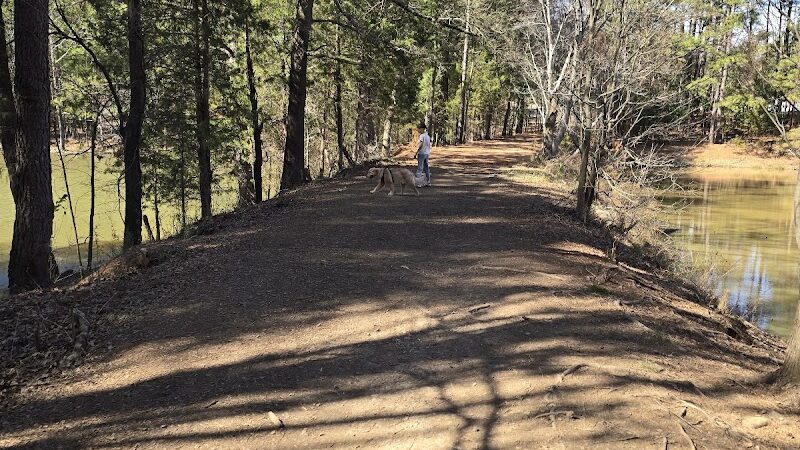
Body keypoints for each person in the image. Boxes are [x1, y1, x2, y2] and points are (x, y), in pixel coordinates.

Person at [414, 122, 432, 187]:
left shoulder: (422, 136)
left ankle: (418, 183)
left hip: (421, 153)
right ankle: (428, 182)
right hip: (426, 153)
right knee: (426, 168)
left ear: (422, 129)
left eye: (418, 129)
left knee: (420, 168)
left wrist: (416, 152)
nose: (418, 130)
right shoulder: (428, 136)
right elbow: (428, 145)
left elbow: (421, 145)